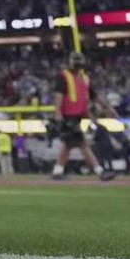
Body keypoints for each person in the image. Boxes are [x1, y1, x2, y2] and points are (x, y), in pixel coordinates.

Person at [51, 51, 117, 181]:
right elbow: (59, 95)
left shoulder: (84, 78)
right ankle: (99, 171)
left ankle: (57, 171)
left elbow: (93, 95)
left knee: (68, 145)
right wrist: (58, 113)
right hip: (68, 115)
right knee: (82, 144)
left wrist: (108, 107)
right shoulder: (64, 76)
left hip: (78, 116)